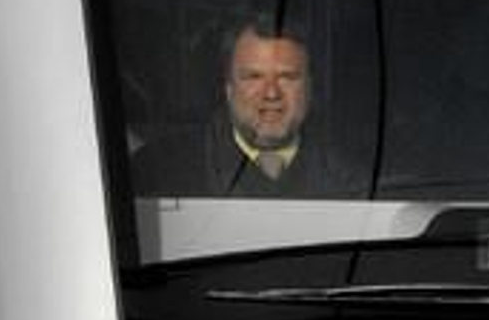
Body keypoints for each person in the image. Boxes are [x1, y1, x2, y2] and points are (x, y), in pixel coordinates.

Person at [133, 17, 356, 197]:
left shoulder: (359, 172)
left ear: (309, 87)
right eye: (254, 77)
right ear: (228, 87)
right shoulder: (162, 170)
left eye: (287, 77)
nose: (271, 93)